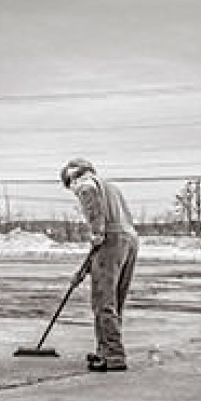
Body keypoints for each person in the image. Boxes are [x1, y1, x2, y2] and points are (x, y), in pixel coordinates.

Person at [60, 158, 139, 372]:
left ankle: (113, 356)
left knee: (103, 300)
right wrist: (85, 269)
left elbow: (92, 204)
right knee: (114, 299)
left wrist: (97, 232)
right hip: (129, 239)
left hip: (112, 238)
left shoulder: (85, 183)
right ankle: (105, 350)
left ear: (71, 177)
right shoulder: (110, 186)